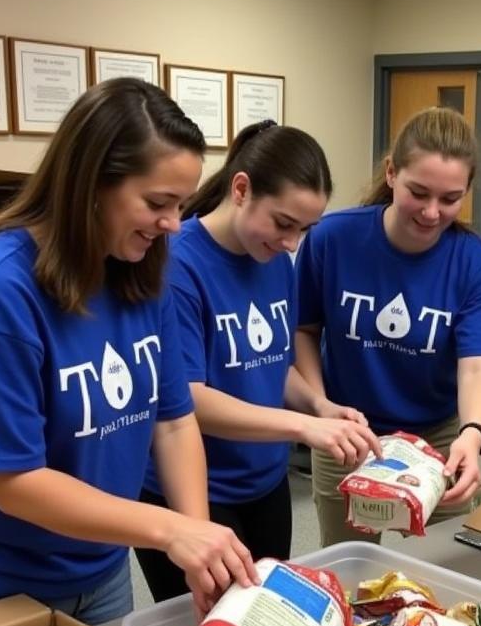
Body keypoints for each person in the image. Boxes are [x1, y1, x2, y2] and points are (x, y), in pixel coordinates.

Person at [0, 78, 257, 626]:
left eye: (181, 205)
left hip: (97, 569)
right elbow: (16, 483)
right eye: (157, 203)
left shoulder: (142, 275)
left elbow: (173, 422)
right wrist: (169, 529)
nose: (174, 223)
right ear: (91, 183)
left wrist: (201, 540)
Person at [136, 121, 379, 600]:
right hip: (196, 492)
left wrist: (318, 406)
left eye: (303, 230)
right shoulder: (176, 264)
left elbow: (274, 364)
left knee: (267, 623)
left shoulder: (275, 260)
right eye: (284, 224)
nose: (292, 243)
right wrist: (300, 427)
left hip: (266, 484)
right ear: (241, 189)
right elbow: (187, 400)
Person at [294, 107, 481, 546]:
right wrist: (319, 404)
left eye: (450, 198)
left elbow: (477, 367)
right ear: (391, 173)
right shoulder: (332, 239)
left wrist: (474, 433)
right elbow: (304, 331)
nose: (432, 212)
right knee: (348, 561)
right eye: (419, 192)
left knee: (443, 564)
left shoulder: (476, 263)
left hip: (439, 433)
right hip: (348, 428)